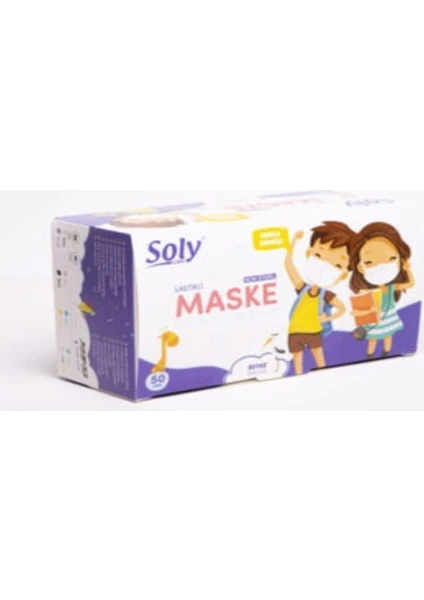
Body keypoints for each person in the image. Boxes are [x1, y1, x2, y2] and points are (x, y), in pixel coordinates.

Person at [285, 222, 355, 375]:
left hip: (314, 331)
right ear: (309, 253)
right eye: (318, 255)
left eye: (337, 265)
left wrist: (328, 318)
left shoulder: (326, 295)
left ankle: (324, 377)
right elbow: (289, 265)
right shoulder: (303, 288)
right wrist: (294, 241)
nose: (325, 265)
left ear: (343, 276)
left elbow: (342, 308)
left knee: (320, 360)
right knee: (297, 361)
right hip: (295, 330)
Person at [349, 222, 415, 359]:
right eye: (369, 262)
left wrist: (408, 270)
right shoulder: (367, 292)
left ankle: (386, 354)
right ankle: (369, 356)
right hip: (374, 322)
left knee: (388, 337)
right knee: (373, 339)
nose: (381, 267)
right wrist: (370, 310)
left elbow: (410, 284)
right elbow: (354, 312)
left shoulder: (391, 287)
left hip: (389, 319)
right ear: (360, 268)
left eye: (391, 258)